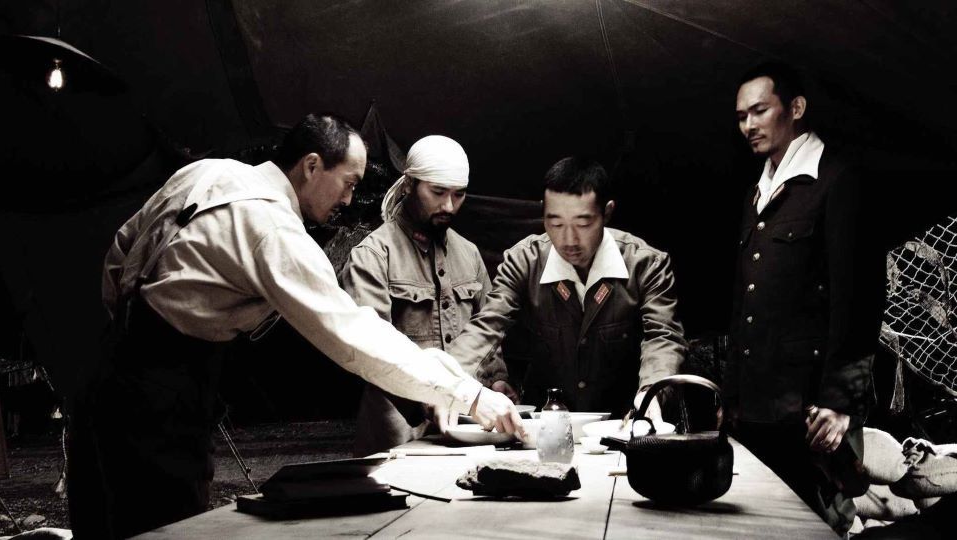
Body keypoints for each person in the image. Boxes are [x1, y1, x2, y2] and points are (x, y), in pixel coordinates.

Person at [68, 114, 523, 539]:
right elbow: (352, 334)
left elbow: (120, 254)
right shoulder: (273, 229)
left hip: (107, 367)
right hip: (163, 393)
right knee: (165, 529)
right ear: (311, 166)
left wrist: (134, 332)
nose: (348, 200)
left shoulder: (206, 173)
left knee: (102, 523)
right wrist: (466, 394)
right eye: (348, 183)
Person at [725, 62, 884, 534]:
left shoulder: (837, 180)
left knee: (817, 524)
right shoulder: (757, 191)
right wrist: (731, 398)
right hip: (757, 407)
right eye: (741, 116)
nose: (749, 125)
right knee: (761, 527)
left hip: (811, 409)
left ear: (795, 108)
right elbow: (745, 304)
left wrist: (840, 401)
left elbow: (859, 299)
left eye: (759, 111)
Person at [448, 157, 686, 417]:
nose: (569, 240)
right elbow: (486, 326)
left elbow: (663, 337)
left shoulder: (646, 264)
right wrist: (447, 385)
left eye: (583, 224)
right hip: (545, 423)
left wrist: (650, 395)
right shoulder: (524, 261)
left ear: (607, 212)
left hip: (626, 422)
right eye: (556, 224)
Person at [341, 135, 516, 456]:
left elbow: (489, 334)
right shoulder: (372, 256)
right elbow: (371, 353)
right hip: (398, 434)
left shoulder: (469, 254)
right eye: (437, 192)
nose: (449, 206)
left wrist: (496, 382)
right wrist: (433, 398)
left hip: (471, 428)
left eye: (458, 194)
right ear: (409, 184)